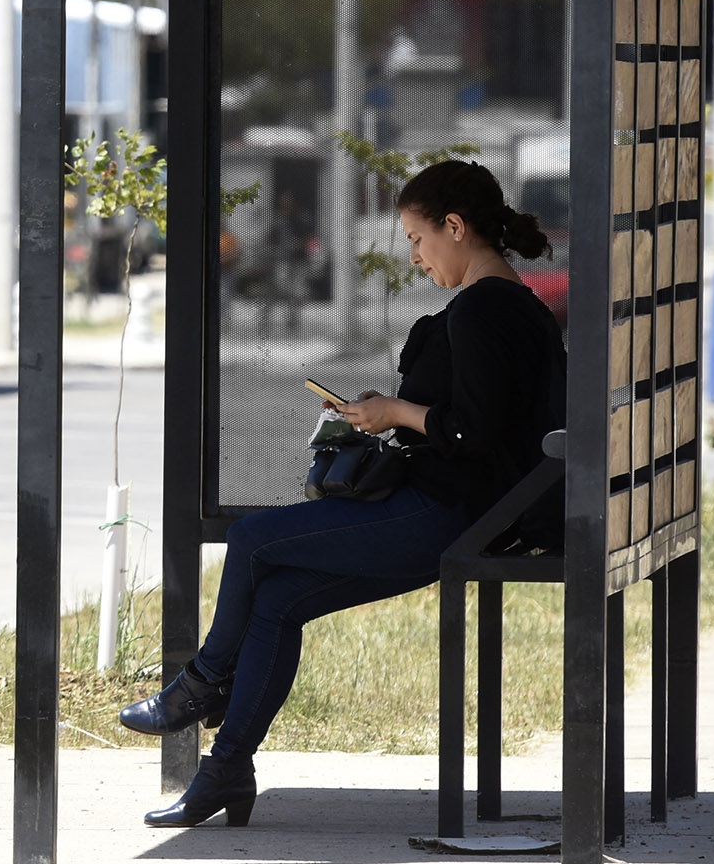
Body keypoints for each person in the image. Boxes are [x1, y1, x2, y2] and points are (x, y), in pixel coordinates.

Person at [117, 158, 567, 829]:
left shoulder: (482, 310)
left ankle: (201, 683)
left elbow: (472, 431)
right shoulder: (515, 304)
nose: (414, 256)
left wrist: (397, 414)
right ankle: (226, 773)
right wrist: (389, 412)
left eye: (418, 239)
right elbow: (481, 420)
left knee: (249, 541)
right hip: (470, 509)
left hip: (452, 517)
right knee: (275, 599)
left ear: (454, 226)